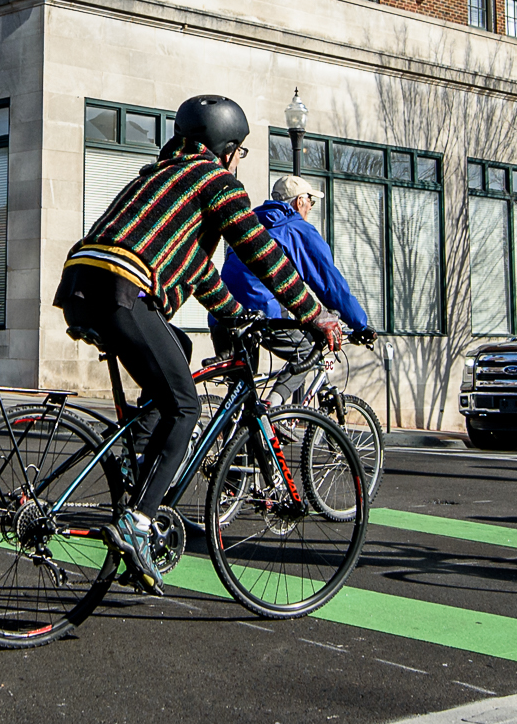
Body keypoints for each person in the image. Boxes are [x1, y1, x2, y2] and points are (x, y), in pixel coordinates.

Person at [57, 96, 345, 584]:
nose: (240, 162)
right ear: (227, 148)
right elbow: (261, 253)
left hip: (82, 284)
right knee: (185, 406)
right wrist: (313, 314)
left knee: (179, 354)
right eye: (242, 152)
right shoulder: (217, 182)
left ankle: (136, 465)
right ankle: (138, 521)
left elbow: (195, 270)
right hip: (124, 289)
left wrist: (236, 316)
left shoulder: (158, 176)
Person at [219, 172, 374, 340]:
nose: (310, 207)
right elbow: (329, 283)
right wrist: (360, 324)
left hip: (223, 313)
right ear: (300, 201)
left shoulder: (253, 225)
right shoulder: (295, 228)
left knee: (239, 366)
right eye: (310, 202)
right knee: (307, 354)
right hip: (263, 314)